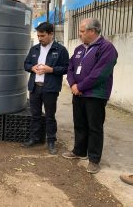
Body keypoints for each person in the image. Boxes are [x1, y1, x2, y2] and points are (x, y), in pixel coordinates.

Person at [62, 18, 118, 174]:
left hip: (95, 95)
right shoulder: (79, 49)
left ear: (92, 31)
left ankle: (94, 160)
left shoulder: (107, 48)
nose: (79, 34)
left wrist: (80, 86)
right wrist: (73, 84)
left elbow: (100, 74)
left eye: (82, 31)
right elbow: (71, 67)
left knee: (94, 127)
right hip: (77, 93)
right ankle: (79, 151)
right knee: (79, 124)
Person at [23, 22, 69, 155]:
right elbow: (26, 64)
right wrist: (32, 68)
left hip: (50, 89)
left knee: (50, 116)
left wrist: (51, 69)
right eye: (38, 36)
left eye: (42, 35)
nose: (40, 38)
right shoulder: (34, 49)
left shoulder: (60, 50)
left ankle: (51, 141)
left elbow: (66, 68)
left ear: (51, 34)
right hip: (35, 87)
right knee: (35, 115)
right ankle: (35, 138)